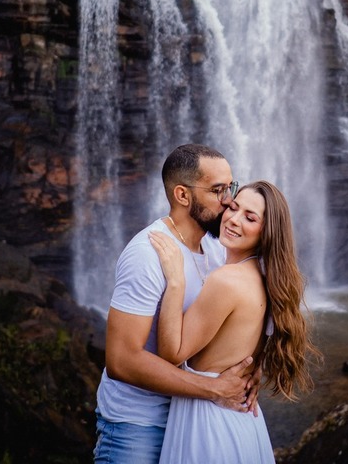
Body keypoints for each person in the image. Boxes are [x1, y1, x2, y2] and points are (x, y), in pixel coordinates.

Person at [93, 144, 255, 464]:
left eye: (231, 188)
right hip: (136, 426)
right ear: (182, 195)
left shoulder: (218, 249)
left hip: (191, 419)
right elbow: (122, 360)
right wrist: (215, 389)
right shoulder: (148, 254)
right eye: (218, 190)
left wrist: (251, 375)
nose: (230, 201)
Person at [149, 180, 318, 464]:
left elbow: (171, 353)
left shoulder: (226, 280)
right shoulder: (265, 280)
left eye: (250, 218)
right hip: (241, 423)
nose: (233, 220)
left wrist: (176, 282)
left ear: (267, 233)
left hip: (207, 423)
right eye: (234, 207)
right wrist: (257, 366)